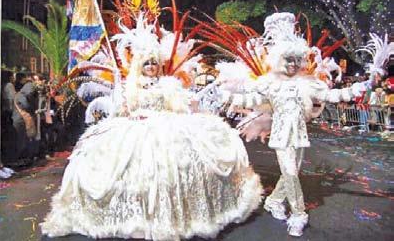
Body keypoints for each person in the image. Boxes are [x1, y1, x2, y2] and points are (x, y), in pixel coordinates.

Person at [40, 16, 262, 241]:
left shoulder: (168, 85)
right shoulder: (131, 87)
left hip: (165, 126)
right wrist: (125, 108)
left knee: (175, 166)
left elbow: (178, 108)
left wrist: (186, 106)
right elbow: (123, 109)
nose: (151, 67)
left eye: (154, 63)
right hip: (135, 127)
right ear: (139, 65)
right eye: (146, 63)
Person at [211, 13, 366, 237]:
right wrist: (226, 97)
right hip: (281, 136)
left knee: (290, 174)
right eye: (287, 60)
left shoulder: (308, 83)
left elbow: (334, 95)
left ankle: (273, 201)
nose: (292, 64)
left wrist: (362, 87)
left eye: (296, 60)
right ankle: (298, 214)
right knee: (291, 172)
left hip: (300, 135)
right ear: (278, 61)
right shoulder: (271, 84)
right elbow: (251, 101)